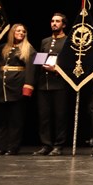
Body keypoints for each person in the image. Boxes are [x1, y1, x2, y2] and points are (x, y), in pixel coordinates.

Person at [0, 23, 36, 155]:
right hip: (1, 87)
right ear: (12, 32)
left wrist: (28, 86)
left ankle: (13, 147)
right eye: (18, 31)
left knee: (15, 119)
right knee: (3, 120)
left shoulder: (28, 49)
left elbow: (31, 69)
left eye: (23, 31)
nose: (21, 33)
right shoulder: (2, 48)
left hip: (17, 86)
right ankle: (2, 147)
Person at [33, 13, 70, 156]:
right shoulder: (45, 41)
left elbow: (69, 63)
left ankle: (59, 145)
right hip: (44, 83)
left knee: (60, 116)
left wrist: (57, 69)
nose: (54, 23)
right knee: (44, 116)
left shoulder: (67, 41)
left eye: (58, 21)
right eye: (52, 21)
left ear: (64, 25)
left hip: (59, 84)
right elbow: (40, 58)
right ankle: (46, 144)